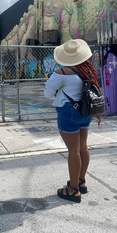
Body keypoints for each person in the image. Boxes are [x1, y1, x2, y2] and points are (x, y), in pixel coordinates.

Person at [44, 39, 103, 203]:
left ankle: (73, 189)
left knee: (73, 151)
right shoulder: (88, 71)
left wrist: (51, 87)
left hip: (68, 112)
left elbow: (48, 94)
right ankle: (81, 181)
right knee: (83, 147)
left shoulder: (62, 73)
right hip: (85, 111)